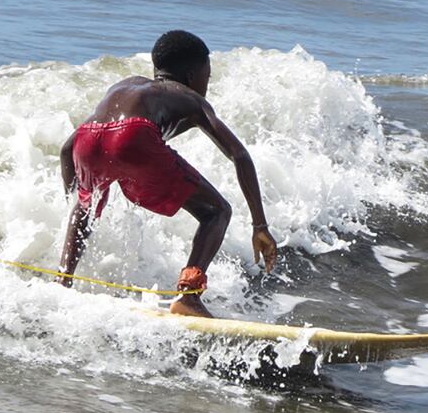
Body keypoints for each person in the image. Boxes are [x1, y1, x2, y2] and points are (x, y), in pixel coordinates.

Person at [56, 29, 277, 318]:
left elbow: (67, 148)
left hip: (86, 140)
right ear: (191, 75)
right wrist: (259, 225)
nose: (206, 86)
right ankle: (188, 296)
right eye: (206, 78)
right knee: (217, 211)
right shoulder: (190, 97)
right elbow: (239, 155)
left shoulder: (123, 87)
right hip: (134, 136)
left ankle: (63, 280)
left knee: (86, 205)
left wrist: (73, 193)